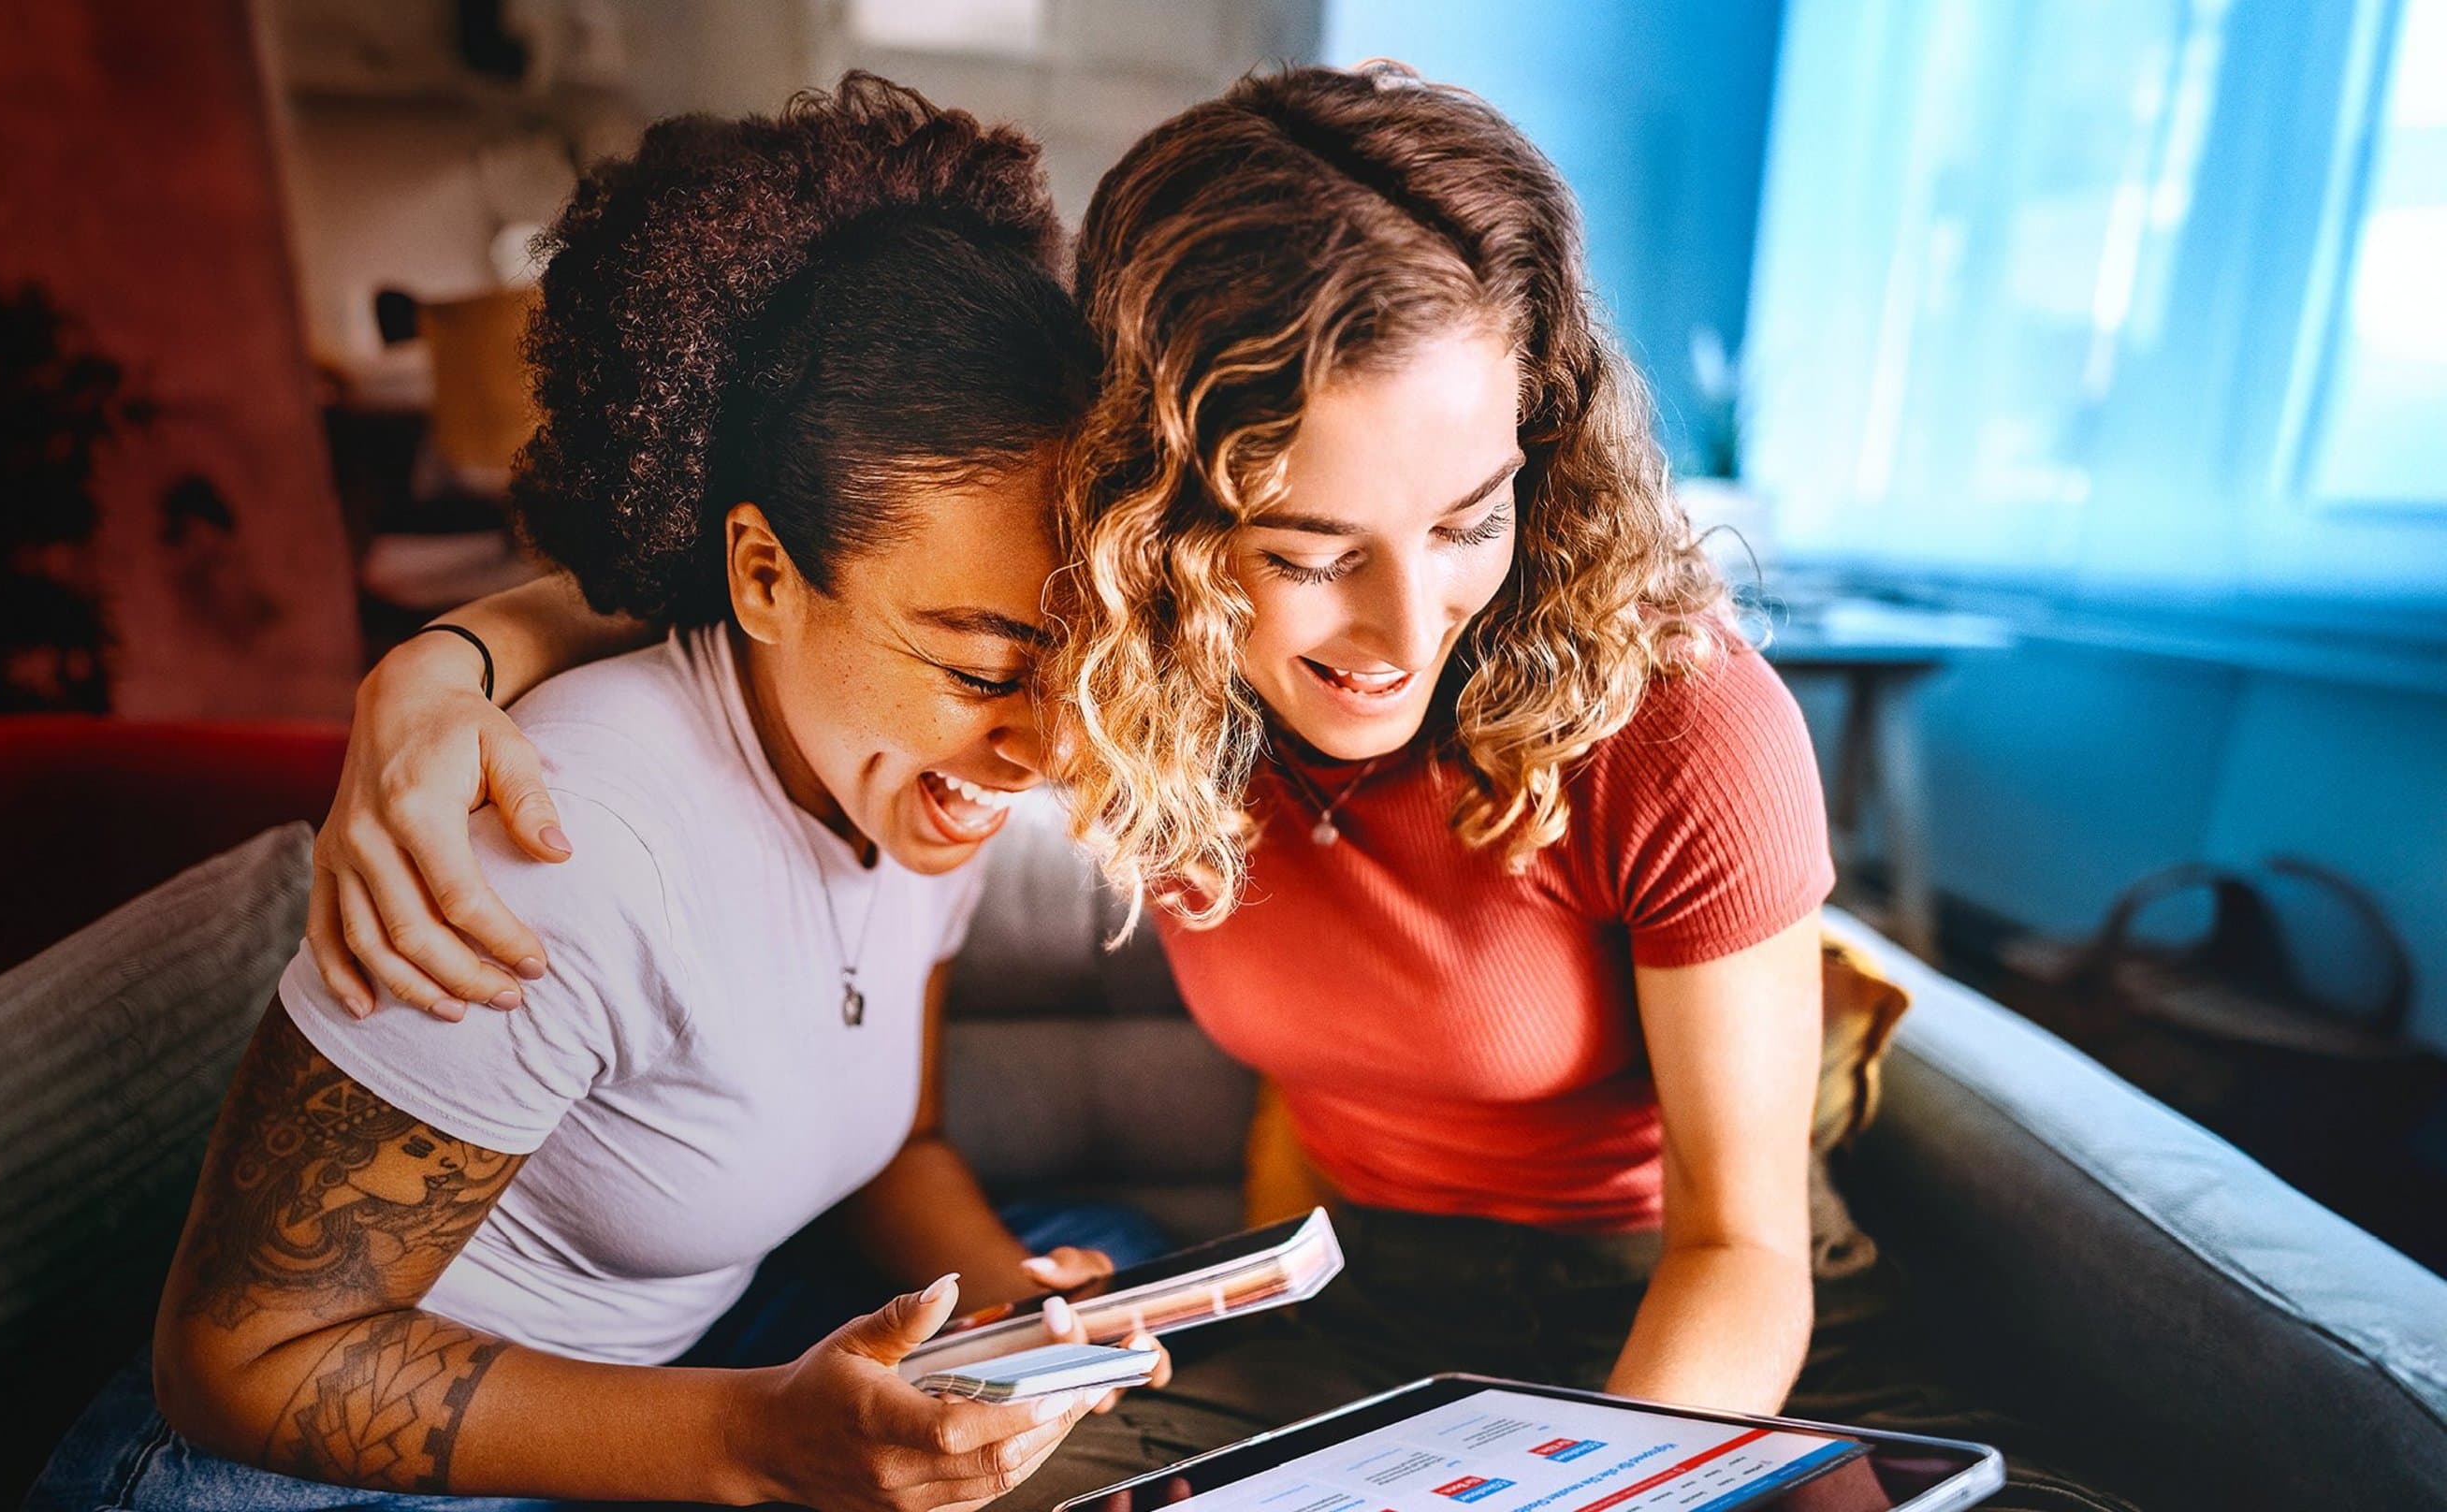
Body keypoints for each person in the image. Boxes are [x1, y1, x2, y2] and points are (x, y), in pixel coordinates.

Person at [307, 64, 2137, 1512]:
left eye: (1467, 518)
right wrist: (450, 659)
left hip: (1685, 1320)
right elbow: (773, 582)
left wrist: (1595, 1496)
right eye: (1304, 544)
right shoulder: (1125, 656)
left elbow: (1744, 1252)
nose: (1398, 631)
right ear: (1160, 515)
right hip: (1346, 1311)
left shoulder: (1676, 716)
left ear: (1541, 452)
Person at [25, 76, 1165, 1512]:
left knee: (1117, 1262)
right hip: (301, 1470)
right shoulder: (560, 836)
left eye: (1086, 668)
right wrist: (759, 1448)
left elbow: (897, 1142)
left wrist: (1025, 1323)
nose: (1050, 750)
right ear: (760, 575)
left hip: (669, 1365)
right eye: (984, 669)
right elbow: (240, 1361)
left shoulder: (916, 781)